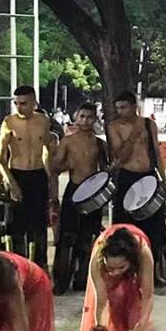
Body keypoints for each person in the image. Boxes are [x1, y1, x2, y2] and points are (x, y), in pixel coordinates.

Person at [107, 89, 166, 286]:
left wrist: (163, 178)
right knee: (126, 227)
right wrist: (134, 134)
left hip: (148, 176)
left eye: (124, 107)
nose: (120, 111)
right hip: (127, 177)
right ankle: (126, 272)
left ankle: (153, 272)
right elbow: (121, 156)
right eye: (118, 108)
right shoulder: (114, 127)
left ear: (134, 106)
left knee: (154, 227)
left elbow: (156, 152)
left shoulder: (148, 124)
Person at [78, 224, 154, 331]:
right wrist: (100, 329)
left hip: (136, 246)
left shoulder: (143, 252)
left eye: (121, 267)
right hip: (107, 247)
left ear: (131, 261)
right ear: (104, 259)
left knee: (136, 309)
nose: (115, 273)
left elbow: (148, 295)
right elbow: (101, 300)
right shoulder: (98, 257)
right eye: (110, 268)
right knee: (114, 300)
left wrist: (142, 326)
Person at [50, 102, 107, 295]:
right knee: (67, 237)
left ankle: (82, 279)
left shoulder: (100, 144)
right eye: (82, 116)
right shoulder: (67, 141)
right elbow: (54, 168)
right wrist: (67, 165)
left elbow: (105, 171)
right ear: (76, 118)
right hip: (74, 190)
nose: (85, 121)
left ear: (94, 119)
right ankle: (61, 280)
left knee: (87, 237)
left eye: (89, 117)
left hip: (93, 193)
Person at [0, 86, 54, 270]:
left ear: (33, 103)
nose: (19, 107)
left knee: (39, 226)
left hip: (37, 175)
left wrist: (50, 178)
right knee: (16, 226)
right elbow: (0, 159)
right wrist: (11, 183)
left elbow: (47, 150)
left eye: (23, 103)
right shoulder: (9, 122)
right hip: (17, 174)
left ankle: (40, 266)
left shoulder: (43, 121)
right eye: (16, 103)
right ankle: (17, 266)